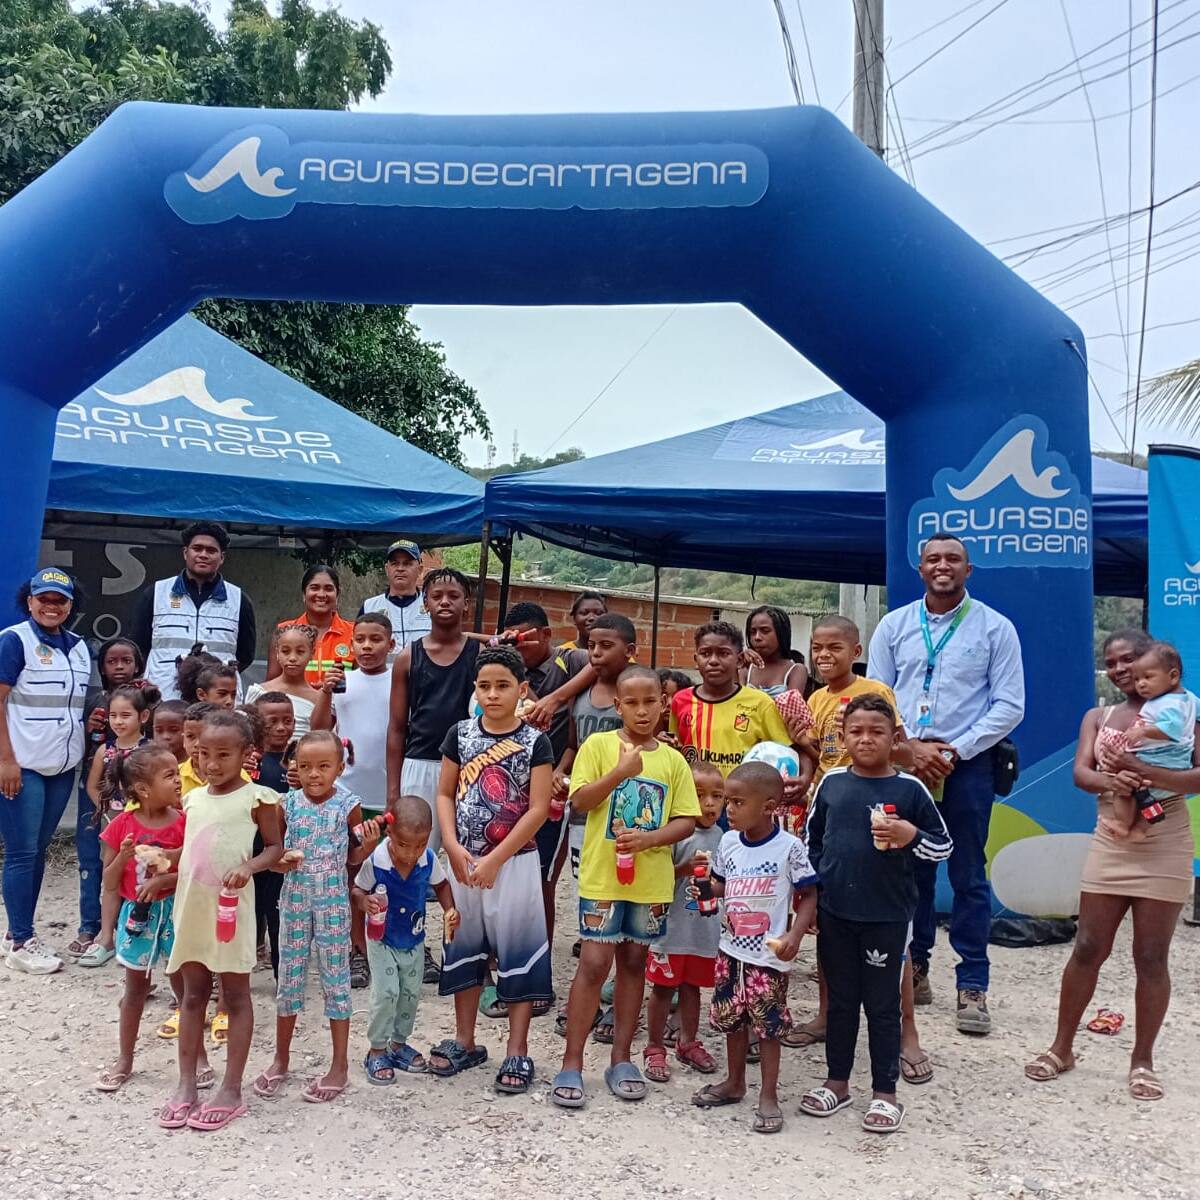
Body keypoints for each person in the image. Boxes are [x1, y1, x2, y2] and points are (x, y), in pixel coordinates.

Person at [1026, 629, 1200, 1103]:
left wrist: (1148, 774)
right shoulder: (1099, 716)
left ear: (1154, 663)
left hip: (1166, 837)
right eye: (1113, 662)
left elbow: (1198, 776)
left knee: (1150, 956)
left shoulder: (1185, 710)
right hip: (1112, 835)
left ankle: (1142, 1060)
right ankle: (1062, 1048)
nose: (1123, 670)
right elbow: (1081, 773)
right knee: (1087, 945)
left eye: (1131, 661)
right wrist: (1112, 777)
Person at [868, 534, 1024, 1034]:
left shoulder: (996, 629)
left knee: (967, 872)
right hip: (906, 759)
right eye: (933, 558)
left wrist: (954, 750)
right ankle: (914, 968)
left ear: (968, 569)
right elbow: (878, 694)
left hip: (967, 764)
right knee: (907, 867)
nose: (942, 566)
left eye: (952, 559)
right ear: (919, 569)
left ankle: (972, 983)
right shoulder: (894, 626)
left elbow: (1009, 705)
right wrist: (909, 747)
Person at [800, 695, 952, 1134]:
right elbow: (810, 845)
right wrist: (810, 897)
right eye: (856, 731)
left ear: (894, 738)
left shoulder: (910, 789)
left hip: (887, 915)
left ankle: (886, 1091)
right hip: (836, 913)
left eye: (877, 732)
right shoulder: (830, 784)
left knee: (883, 1005)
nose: (865, 739)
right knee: (841, 1001)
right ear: (843, 736)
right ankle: (838, 1081)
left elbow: (943, 846)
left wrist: (908, 834)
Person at [553, 665, 700, 1109]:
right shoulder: (598, 746)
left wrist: (650, 840)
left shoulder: (673, 760)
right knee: (594, 963)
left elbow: (687, 820)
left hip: (651, 883)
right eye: (631, 703)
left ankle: (622, 1058)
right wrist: (621, 771)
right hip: (603, 876)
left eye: (649, 702)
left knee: (634, 962)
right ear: (618, 706)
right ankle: (571, 1062)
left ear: (662, 705)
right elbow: (579, 801)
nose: (641, 710)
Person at [432, 645, 554, 1095]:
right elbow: (445, 794)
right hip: (464, 862)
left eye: (503, 686)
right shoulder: (459, 735)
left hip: (515, 866)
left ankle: (517, 1050)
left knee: (517, 956)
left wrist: (497, 859)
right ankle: (466, 1039)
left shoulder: (534, 742)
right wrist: (450, 843)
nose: (493, 694)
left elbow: (538, 808)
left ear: (522, 689)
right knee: (465, 949)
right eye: (484, 686)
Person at [160, 710, 282, 1132]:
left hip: (231, 910)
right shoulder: (192, 798)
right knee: (192, 996)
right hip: (191, 907)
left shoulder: (258, 798)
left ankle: (231, 1088)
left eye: (223, 755)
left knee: (236, 995)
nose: (211, 764)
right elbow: (193, 849)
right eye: (204, 754)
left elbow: (275, 849)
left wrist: (250, 867)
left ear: (246, 755)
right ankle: (187, 1084)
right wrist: (163, 865)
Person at [692, 762, 816, 1135]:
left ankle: (769, 1095)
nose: (728, 809)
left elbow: (809, 892)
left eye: (737, 802)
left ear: (769, 806)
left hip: (767, 956)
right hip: (731, 951)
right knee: (732, 1021)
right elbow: (722, 886)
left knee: (768, 1027)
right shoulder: (728, 842)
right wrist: (704, 889)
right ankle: (734, 1082)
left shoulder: (789, 848)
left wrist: (794, 935)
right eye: (728, 801)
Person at [253, 731, 374, 1104]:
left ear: (340, 767)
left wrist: (366, 846)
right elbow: (274, 858)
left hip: (334, 906)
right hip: (293, 902)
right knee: (288, 979)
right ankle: (281, 1059)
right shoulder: (285, 805)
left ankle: (339, 1065)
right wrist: (282, 862)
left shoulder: (349, 805)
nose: (314, 774)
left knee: (336, 982)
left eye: (323, 766)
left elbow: (353, 862)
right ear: (294, 768)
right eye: (304, 766)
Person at [386, 568, 480, 981]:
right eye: (437, 595)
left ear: (466, 603)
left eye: (453, 595)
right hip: (420, 766)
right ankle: (412, 945)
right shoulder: (409, 656)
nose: (445, 602)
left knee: (465, 859)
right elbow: (396, 727)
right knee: (414, 859)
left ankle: (463, 948)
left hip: (470, 766)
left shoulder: (481, 656)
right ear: (425, 602)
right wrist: (394, 789)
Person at [0, 569, 91, 975]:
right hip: (24, 766)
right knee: (22, 852)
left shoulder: (79, 646)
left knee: (38, 849)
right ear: (30, 600)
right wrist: (6, 761)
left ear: (71, 605)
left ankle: (19, 929)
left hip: (61, 767)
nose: (52, 606)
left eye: (60, 600)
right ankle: (21, 941)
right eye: (44, 598)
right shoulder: (14, 640)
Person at [94, 744, 190, 1092]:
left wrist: (166, 878)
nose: (179, 781)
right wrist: (124, 856)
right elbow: (108, 881)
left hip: (176, 911)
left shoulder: (184, 822)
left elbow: (195, 872)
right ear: (143, 789)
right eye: (170, 776)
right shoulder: (121, 826)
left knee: (185, 988)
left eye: (177, 774)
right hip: (138, 916)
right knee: (135, 989)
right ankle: (125, 1058)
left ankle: (196, 1060)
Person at [355, 794, 459, 1082]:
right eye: (403, 845)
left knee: (410, 994)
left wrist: (450, 908)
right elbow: (357, 891)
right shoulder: (376, 860)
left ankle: (398, 1044)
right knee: (387, 992)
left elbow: (441, 884)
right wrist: (365, 903)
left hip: (413, 940)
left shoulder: (427, 859)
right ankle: (376, 1050)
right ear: (390, 834)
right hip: (382, 938)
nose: (411, 853)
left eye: (420, 845)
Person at [643, 760, 725, 1083]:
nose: (708, 803)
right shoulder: (675, 832)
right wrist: (685, 868)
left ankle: (687, 1042)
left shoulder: (723, 836)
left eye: (717, 796)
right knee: (663, 988)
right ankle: (653, 1047)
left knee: (693, 988)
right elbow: (657, 875)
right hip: (671, 929)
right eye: (700, 794)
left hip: (704, 931)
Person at [671, 621, 813, 794]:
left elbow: (790, 749)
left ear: (739, 660)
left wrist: (805, 778)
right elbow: (673, 751)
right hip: (691, 802)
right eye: (705, 653)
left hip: (742, 804)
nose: (713, 661)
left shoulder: (760, 703)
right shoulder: (680, 701)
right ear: (696, 659)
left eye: (723, 653)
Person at [71, 636, 144, 960]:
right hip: (99, 798)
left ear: (137, 664)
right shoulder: (92, 700)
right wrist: (88, 727)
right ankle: (91, 926)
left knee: (137, 867)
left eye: (125, 661)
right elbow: (78, 742)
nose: (118, 667)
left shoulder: (147, 700)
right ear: (100, 667)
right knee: (92, 861)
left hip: (139, 805)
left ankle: (132, 930)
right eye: (111, 661)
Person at [78, 682, 158, 968]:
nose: (118, 722)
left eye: (126, 715)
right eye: (113, 715)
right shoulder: (105, 751)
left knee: (144, 880)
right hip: (115, 827)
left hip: (148, 828)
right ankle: (106, 938)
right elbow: (92, 785)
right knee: (110, 881)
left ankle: (143, 937)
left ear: (143, 717)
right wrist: (111, 816)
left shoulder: (152, 752)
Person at [133, 522, 256, 701]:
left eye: (211, 551)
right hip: (164, 698)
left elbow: (246, 655)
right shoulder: (155, 594)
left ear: (222, 557)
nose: (203, 555)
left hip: (218, 702)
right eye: (197, 549)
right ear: (185, 553)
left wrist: (214, 676)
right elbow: (138, 648)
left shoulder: (239, 600)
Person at [1099, 642, 1195, 840]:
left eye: (1148, 677)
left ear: (1173, 676)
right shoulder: (1189, 699)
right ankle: (1141, 829)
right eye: (1138, 679)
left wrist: (1142, 732)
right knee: (1148, 799)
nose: (1141, 683)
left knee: (1127, 792)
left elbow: (1171, 729)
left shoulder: (1167, 704)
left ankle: (1122, 823)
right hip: (1176, 765)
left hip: (1159, 760)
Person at [250, 691, 294, 977]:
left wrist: (301, 785)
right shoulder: (249, 760)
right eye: (272, 721)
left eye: (287, 720)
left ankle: (282, 975)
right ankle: (248, 957)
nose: (281, 727)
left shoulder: (299, 759)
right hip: (251, 850)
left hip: (283, 852)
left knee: (278, 913)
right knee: (250, 910)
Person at [268, 564, 355, 688]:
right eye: (314, 588)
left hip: (340, 705)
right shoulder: (284, 631)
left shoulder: (354, 633)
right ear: (304, 594)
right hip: (295, 705)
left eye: (329, 589)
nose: (321, 594)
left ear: (337, 595)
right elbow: (271, 685)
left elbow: (362, 681)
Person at [248, 624, 327, 738]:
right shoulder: (259, 692)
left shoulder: (318, 698)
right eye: (285, 651)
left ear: (312, 653)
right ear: (277, 653)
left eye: (300, 652)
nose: (292, 658)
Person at [360, 540, 431, 654]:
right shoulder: (369, 607)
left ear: (420, 569)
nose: (400, 568)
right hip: (383, 672)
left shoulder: (432, 605)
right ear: (387, 569)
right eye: (395, 563)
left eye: (407, 563)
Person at [742, 604, 809, 697]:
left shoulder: (795, 670)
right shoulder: (746, 669)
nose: (757, 637)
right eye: (752, 632)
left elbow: (791, 709)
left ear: (781, 633)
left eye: (765, 631)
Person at [554, 591, 608, 662]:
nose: (591, 618)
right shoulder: (562, 654)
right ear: (574, 619)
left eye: (598, 613)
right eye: (584, 613)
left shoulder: (617, 654)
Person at [151, 700, 188, 765]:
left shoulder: (198, 764)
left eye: (174, 730)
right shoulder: (147, 763)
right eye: (159, 730)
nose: (165, 736)